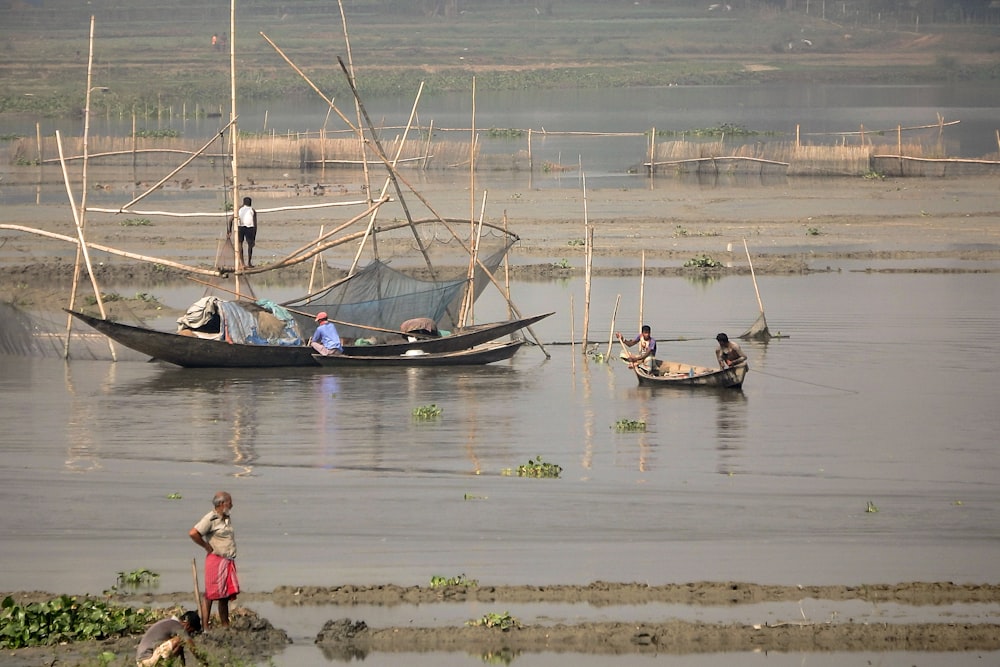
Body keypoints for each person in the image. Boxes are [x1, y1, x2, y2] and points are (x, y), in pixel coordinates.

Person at [189, 492, 239, 628]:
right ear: (221, 504)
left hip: (227, 560)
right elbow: (193, 533)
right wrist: (206, 546)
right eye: (229, 502)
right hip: (216, 560)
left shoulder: (227, 518)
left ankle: (225, 625)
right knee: (210, 595)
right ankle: (205, 627)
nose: (232, 505)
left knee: (225, 595)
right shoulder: (210, 518)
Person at [135, 611, 203, 667]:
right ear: (187, 624)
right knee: (180, 640)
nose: (190, 634)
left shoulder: (171, 624)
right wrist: (204, 662)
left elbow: (181, 650)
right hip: (147, 660)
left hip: (142, 662)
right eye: (190, 631)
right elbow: (190, 644)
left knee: (179, 641)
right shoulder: (177, 625)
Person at [228, 196, 257, 268]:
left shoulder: (239, 210)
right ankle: (249, 263)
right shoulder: (252, 210)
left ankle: (242, 263)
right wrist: (254, 237)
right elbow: (255, 224)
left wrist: (229, 231)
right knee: (250, 245)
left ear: (243, 203)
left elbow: (230, 220)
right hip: (250, 228)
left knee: (240, 244)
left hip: (240, 227)